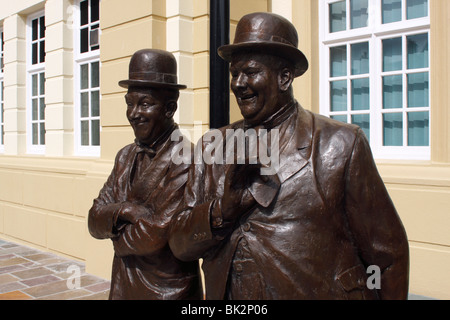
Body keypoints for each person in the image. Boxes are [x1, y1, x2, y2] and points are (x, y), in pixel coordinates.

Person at [169, 12, 409, 300]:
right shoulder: (212, 147)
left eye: (251, 72)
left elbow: (387, 255)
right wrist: (222, 211)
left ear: (284, 77)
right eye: (234, 73)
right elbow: (180, 243)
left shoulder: (340, 144)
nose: (237, 83)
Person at [88, 49, 201, 300]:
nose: (133, 113)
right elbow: (94, 220)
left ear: (170, 108)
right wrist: (125, 211)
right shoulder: (124, 156)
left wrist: (115, 236)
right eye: (129, 103)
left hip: (169, 289)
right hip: (124, 283)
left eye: (145, 104)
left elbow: (153, 235)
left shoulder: (188, 159)